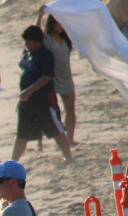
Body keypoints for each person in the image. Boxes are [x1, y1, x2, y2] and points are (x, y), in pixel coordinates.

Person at [12, 25, 73, 163]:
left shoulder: (46, 55)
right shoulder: (27, 53)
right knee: (21, 132)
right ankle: (13, 161)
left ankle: (68, 156)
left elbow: (46, 77)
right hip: (27, 102)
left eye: (28, 41)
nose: (26, 44)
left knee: (55, 129)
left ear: (36, 41)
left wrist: (30, 90)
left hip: (44, 100)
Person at [39, 13, 78, 146]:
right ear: (52, 24)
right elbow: (34, 34)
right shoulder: (47, 39)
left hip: (66, 77)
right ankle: (50, 140)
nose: (61, 26)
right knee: (53, 111)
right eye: (58, 23)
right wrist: (40, 15)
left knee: (70, 109)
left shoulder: (65, 38)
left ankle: (70, 139)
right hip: (52, 79)